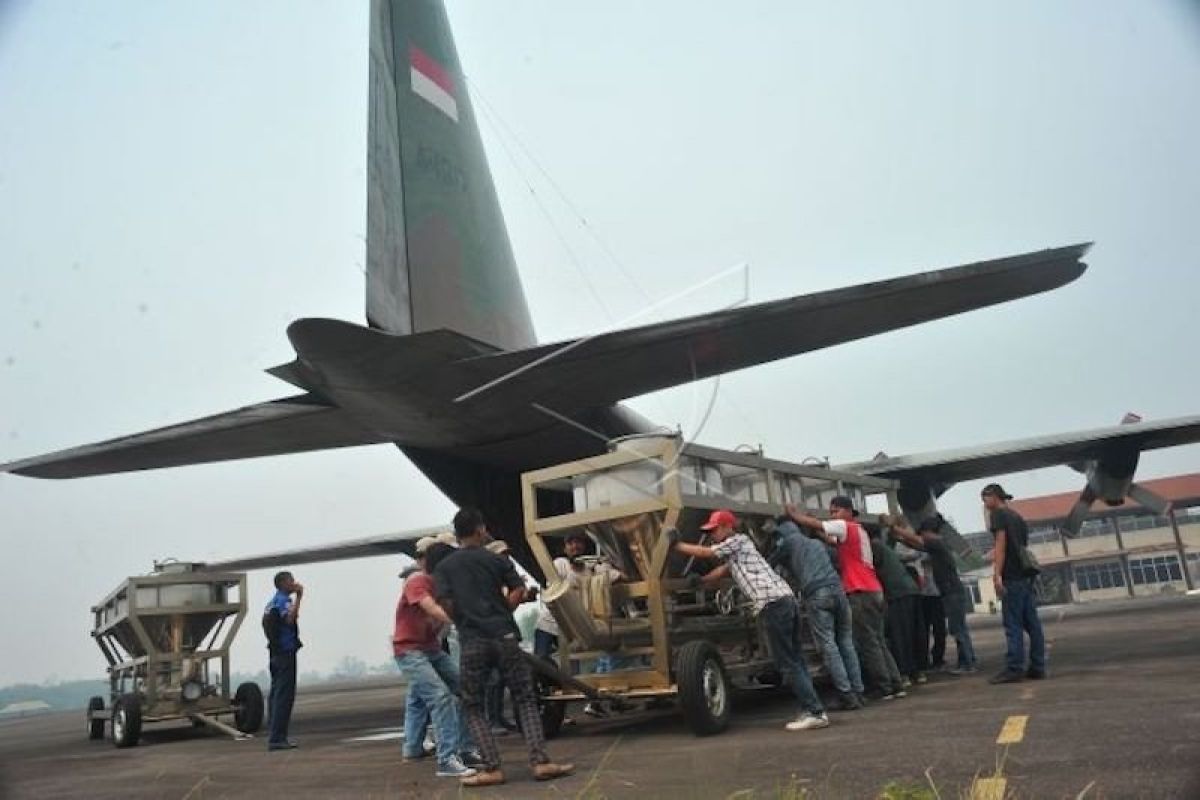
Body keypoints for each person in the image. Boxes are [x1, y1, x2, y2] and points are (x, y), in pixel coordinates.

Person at [434, 508, 575, 787]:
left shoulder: (445, 567)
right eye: (484, 528)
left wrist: (463, 619)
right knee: (525, 699)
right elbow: (518, 590)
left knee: (473, 705)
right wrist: (502, 611)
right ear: (477, 530)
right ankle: (540, 762)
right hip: (505, 636)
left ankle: (492, 768)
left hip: (473, 641)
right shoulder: (496, 560)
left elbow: (444, 602)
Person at [671, 509, 831, 731]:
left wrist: (676, 545)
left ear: (728, 526)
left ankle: (814, 711)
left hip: (774, 604)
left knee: (788, 662)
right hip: (785, 601)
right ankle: (813, 708)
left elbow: (708, 553)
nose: (712, 534)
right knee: (795, 659)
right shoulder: (740, 550)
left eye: (715, 530)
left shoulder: (738, 540)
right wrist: (702, 581)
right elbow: (723, 570)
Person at [788, 498, 906, 700]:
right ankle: (895, 683)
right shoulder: (858, 531)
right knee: (878, 640)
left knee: (868, 642)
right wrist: (817, 529)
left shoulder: (845, 526)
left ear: (849, 511)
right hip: (874, 589)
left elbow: (820, 526)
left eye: (836, 511)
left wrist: (795, 516)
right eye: (831, 512)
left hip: (859, 590)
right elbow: (830, 539)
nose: (833, 515)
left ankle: (883, 686)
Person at [393, 542, 479, 778]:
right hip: (409, 650)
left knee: (464, 690)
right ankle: (447, 759)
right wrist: (460, 620)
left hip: (431, 648)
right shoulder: (417, 581)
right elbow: (429, 607)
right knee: (440, 697)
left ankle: (465, 749)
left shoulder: (447, 587)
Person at [770, 513, 865, 710]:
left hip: (817, 593)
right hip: (838, 591)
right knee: (846, 642)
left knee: (828, 645)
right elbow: (836, 559)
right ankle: (858, 690)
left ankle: (846, 695)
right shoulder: (817, 544)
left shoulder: (787, 543)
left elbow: (770, 563)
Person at [890, 515, 977, 674]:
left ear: (928, 532)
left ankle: (968, 664)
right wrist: (900, 539)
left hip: (951, 592)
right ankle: (968, 660)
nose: (922, 536)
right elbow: (917, 545)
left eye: (923, 533)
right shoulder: (938, 545)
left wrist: (895, 528)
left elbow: (917, 540)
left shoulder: (936, 542)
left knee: (957, 628)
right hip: (952, 591)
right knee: (960, 628)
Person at [982, 484, 1046, 684]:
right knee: (1032, 625)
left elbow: (1000, 546)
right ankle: (1038, 666)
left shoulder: (998, 516)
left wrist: (997, 575)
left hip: (1011, 576)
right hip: (1025, 576)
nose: (984, 504)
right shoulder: (1016, 516)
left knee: (1013, 625)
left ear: (994, 496)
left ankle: (1014, 667)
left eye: (984, 498)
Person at [866, 525, 922, 686]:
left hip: (898, 593)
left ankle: (904, 673)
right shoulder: (885, 547)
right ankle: (915, 671)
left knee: (899, 635)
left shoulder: (875, 546)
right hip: (909, 590)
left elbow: (870, 566)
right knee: (909, 633)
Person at [262, 570, 303, 751]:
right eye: (291, 581)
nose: (294, 583)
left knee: (276, 694)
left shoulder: (271, 602)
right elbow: (289, 619)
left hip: (275, 652)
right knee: (284, 696)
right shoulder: (284, 601)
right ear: (284, 583)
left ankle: (274, 733)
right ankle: (277, 738)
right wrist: (300, 597)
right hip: (285, 651)